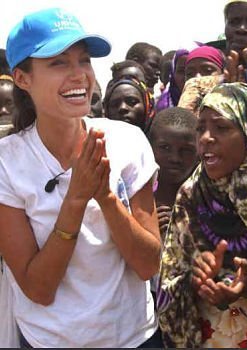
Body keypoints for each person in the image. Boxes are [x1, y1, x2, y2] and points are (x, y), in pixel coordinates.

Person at [0, 8, 162, 347]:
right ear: (22, 78)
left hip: (133, 338)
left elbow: (148, 265)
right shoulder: (7, 163)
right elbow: (38, 289)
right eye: (58, 63)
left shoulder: (127, 142)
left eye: (84, 60)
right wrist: (76, 199)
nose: (79, 75)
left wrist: (106, 197)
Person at [158, 82, 247, 348]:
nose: (205, 138)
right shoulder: (191, 195)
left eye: (222, 127)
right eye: (200, 128)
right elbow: (167, 285)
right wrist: (195, 280)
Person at [148, 106, 199, 237]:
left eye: (186, 150)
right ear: (149, 148)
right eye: (165, 147)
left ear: (199, 153)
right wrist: (146, 230)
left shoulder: (206, 203)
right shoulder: (136, 200)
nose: (175, 158)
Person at [155, 42, 201, 112]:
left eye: (191, 71)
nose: (186, 77)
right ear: (173, 73)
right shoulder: (163, 106)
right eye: (181, 71)